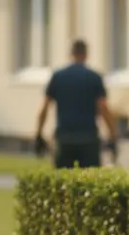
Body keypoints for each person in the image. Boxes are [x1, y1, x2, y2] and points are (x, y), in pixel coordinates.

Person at [34, 39, 119, 168]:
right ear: (86, 55)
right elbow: (103, 108)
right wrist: (113, 136)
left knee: (63, 182)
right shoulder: (94, 78)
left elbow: (44, 108)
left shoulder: (58, 77)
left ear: (71, 54)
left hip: (64, 138)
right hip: (88, 139)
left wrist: (38, 134)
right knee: (90, 183)